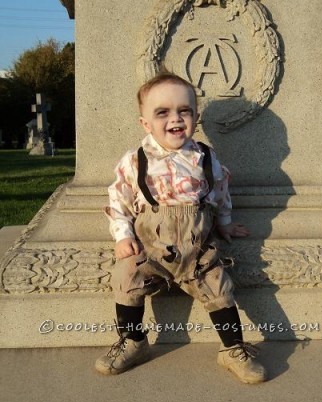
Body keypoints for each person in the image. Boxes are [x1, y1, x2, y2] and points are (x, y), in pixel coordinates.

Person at [95, 72, 266, 384]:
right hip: (151, 248)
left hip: (197, 248)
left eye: (184, 111)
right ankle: (133, 340)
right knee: (125, 276)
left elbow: (220, 192)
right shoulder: (136, 160)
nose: (175, 119)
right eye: (162, 113)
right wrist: (123, 237)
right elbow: (118, 199)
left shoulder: (205, 157)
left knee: (219, 287)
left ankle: (232, 348)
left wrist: (224, 223)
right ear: (145, 123)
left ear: (195, 117)